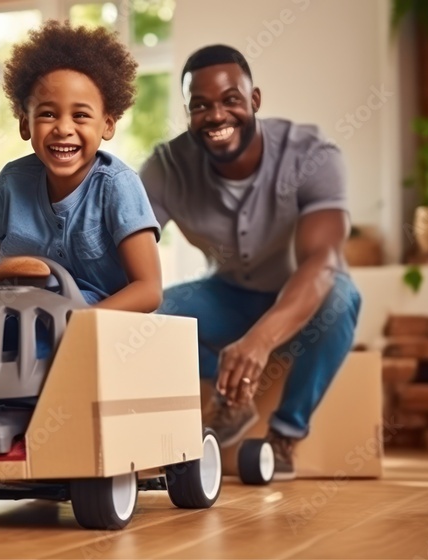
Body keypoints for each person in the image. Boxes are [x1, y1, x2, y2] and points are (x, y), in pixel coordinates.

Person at [139, 45, 362, 480]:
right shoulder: (167, 167)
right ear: (187, 112)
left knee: (341, 296)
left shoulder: (312, 154)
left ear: (254, 100)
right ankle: (231, 395)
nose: (216, 115)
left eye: (230, 100)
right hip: (226, 297)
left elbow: (323, 261)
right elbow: (124, 250)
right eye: (200, 105)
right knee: (146, 318)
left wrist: (260, 342)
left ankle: (284, 435)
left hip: (301, 296)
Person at [0, 20, 163, 330]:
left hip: (100, 326)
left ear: (107, 124)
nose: (63, 128)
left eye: (80, 115)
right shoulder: (11, 184)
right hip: (20, 314)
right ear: (25, 124)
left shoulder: (118, 186)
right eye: (48, 114)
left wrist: (79, 325)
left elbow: (149, 289)